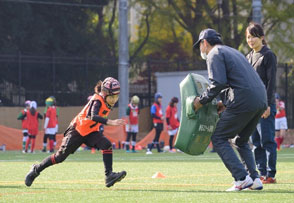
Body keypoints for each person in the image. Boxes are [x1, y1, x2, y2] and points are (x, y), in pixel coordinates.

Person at [193, 28, 267, 191]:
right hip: (260, 99)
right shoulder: (233, 51)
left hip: (244, 99)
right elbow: (235, 81)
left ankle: (241, 178)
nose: (200, 50)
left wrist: (201, 100)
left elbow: (217, 83)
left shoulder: (214, 53)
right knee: (240, 140)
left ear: (205, 43)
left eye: (200, 46)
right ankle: (255, 179)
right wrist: (225, 103)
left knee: (219, 137)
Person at [25, 77, 127, 188]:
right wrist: (110, 122)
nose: (114, 100)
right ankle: (36, 169)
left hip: (90, 132)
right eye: (112, 96)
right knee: (60, 157)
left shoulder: (106, 101)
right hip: (77, 130)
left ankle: (109, 176)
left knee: (106, 145)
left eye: (116, 97)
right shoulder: (97, 99)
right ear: (105, 92)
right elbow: (93, 116)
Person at [246, 22, 277, 184]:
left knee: (267, 141)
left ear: (262, 37)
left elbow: (271, 83)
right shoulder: (248, 57)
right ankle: (261, 173)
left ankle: (270, 174)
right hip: (253, 108)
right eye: (248, 37)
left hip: (265, 106)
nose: (251, 40)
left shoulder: (268, 55)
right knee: (256, 143)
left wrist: (268, 104)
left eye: (254, 36)